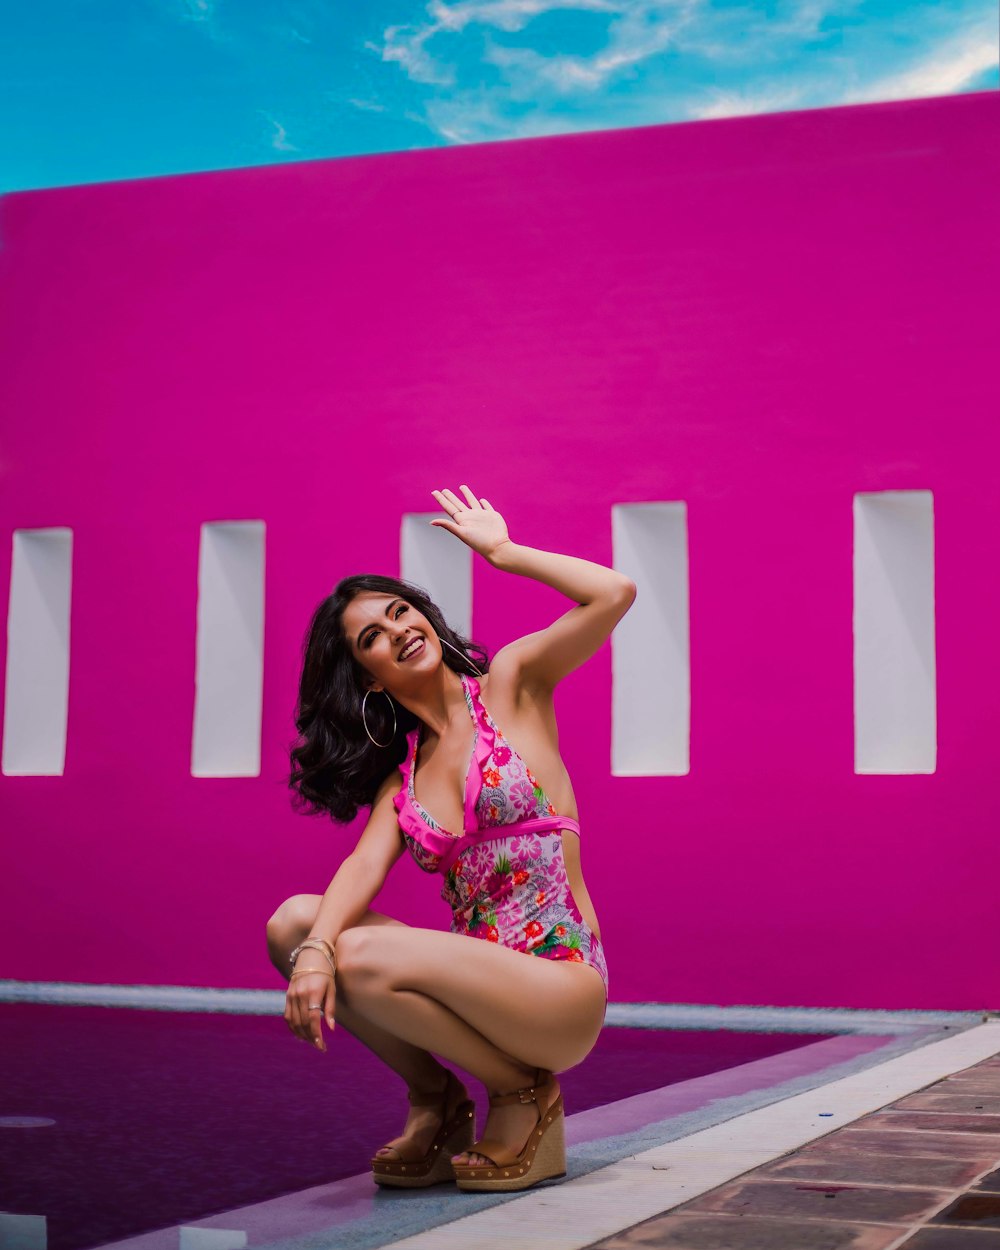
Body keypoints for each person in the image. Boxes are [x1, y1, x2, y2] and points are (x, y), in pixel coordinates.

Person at [266, 484, 636, 1192]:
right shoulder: (401, 783)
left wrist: (505, 553)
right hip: (481, 991)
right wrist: (311, 955)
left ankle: (524, 1094)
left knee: (359, 953)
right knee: (294, 925)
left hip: (560, 987)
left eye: (400, 611)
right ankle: (439, 1102)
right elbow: (358, 869)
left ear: (427, 620)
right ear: (366, 678)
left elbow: (613, 592)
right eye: (372, 636)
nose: (398, 630)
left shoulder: (512, 686)